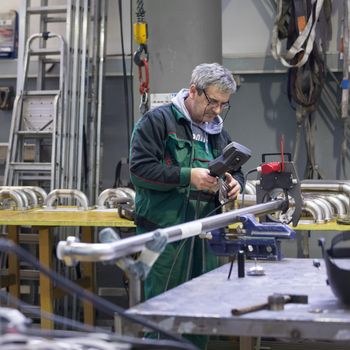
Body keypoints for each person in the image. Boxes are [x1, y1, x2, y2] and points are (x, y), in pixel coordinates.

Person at [129, 63, 245, 349]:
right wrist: (187, 176)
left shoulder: (218, 132)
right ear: (194, 90)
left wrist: (236, 183)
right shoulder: (158, 122)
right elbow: (140, 171)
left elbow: (237, 170)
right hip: (164, 237)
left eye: (223, 104)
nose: (217, 110)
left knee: (199, 313)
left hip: (203, 237)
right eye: (213, 101)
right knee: (163, 314)